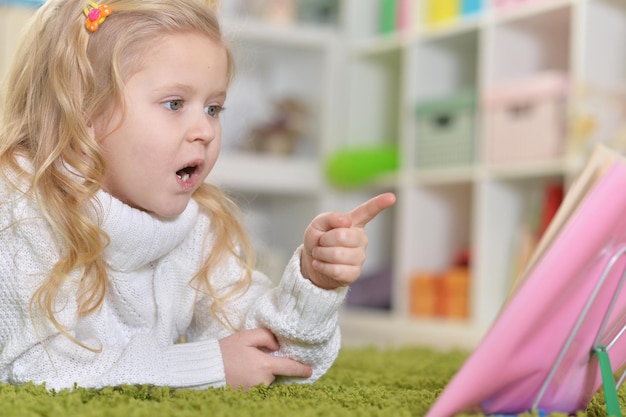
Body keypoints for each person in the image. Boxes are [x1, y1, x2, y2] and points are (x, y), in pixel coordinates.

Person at [0, 0, 396, 392]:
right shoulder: (26, 210)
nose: (205, 131)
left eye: (213, 108)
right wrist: (204, 365)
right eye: (175, 104)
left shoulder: (195, 224)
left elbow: (278, 358)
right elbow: (34, 369)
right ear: (81, 114)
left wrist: (313, 284)